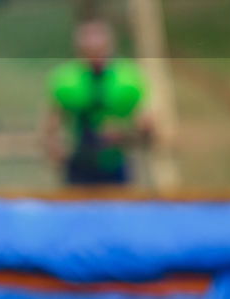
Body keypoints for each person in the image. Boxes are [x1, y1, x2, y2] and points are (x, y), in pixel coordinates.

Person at [42, 18, 152, 185]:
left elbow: (147, 131)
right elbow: (50, 127)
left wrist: (123, 135)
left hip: (115, 167)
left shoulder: (128, 79)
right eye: (89, 49)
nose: (95, 55)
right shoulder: (66, 80)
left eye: (99, 49)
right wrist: (55, 148)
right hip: (77, 165)